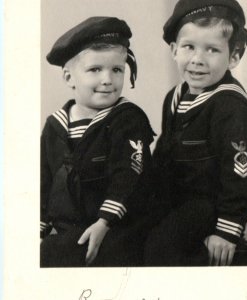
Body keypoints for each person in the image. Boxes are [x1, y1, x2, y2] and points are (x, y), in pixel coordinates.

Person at [144, 0, 247, 266]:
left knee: (161, 248)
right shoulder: (175, 96)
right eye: (189, 47)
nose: (197, 60)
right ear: (174, 50)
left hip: (208, 205)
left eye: (212, 50)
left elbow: (239, 174)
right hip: (173, 198)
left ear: (234, 56)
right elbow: (164, 152)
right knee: (130, 233)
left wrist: (227, 231)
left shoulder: (230, 105)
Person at [40, 16, 155, 267]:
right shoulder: (54, 126)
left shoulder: (127, 119)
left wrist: (104, 222)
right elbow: (44, 180)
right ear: (69, 77)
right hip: (68, 228)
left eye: (116, 70)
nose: (107, 79)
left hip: (117, 226)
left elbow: (129, 177)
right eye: (95, 70)